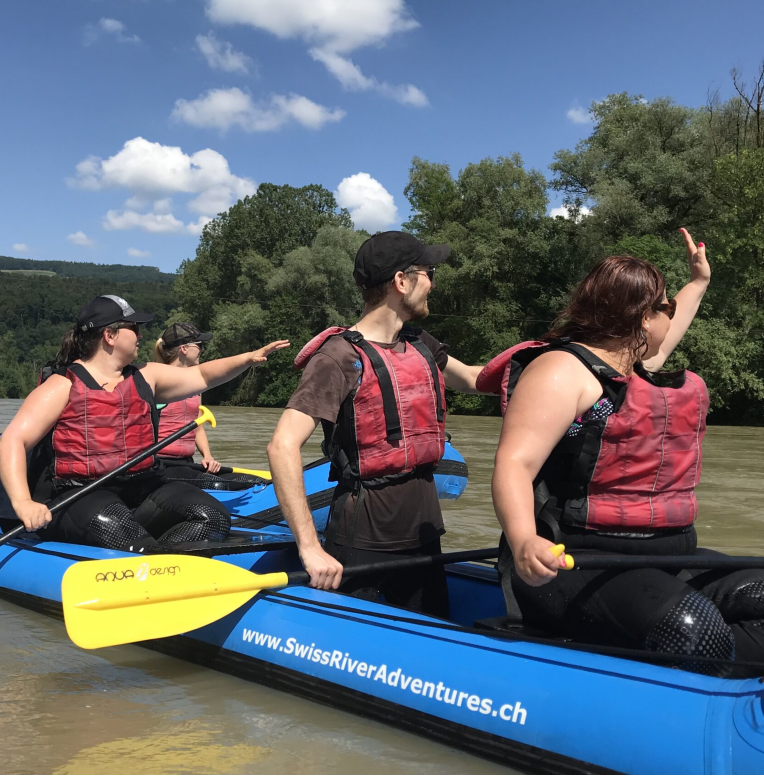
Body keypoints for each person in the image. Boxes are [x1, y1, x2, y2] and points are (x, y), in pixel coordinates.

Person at [481, 229, 764, 669]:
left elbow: (666, 333)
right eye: (665, 308)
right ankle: (700, 665)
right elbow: (514, 464)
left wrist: (697, 283)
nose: (670, 319)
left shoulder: (632, 368)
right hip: (574, 560)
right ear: (642, 318)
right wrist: (524, 540)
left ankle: (718, 668)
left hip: (667, 556)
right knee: (692, 628)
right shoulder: (562, 371)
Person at [267, 231, 484, 617]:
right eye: (428, 271)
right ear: (402, 281)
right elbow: (281, 446)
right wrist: (309, 547)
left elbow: (471, 379)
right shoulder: (338, 358)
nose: (433, 282)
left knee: (430, 638)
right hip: (363, 536)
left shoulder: (421, 344)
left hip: (424, 530)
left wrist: (548, 371)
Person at [0, 294, 288, 551]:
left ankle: (160, 556)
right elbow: (13, 440)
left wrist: (248, 358)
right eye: (133, 327)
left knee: (212, 516)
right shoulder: (61, 386)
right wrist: (23, 502)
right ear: (110, 335)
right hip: (80, 494)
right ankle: (145, 552)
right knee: (116, 529)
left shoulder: (147, 375)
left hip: (143, 488)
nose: (140, 334)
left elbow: (201, 376)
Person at [152, 322, 264, 491]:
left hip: (187, 464)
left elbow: (197, 427)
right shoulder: (158, 382)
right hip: (161, 464)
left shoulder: (195, 385)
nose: (202, 350)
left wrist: (208, 457)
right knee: (216, 485)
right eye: (199, 345)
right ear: (184, 348)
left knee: (252, 481)